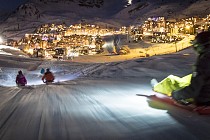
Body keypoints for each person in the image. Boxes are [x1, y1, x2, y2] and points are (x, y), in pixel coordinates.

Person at [153, 31, 210, 106]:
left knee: (171, 80)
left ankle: (158, 88)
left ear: (203, 46)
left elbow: (193, 89)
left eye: (197, 46)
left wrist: (175, 95)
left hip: (204, 99)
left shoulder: (204, 60)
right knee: (189, 78)